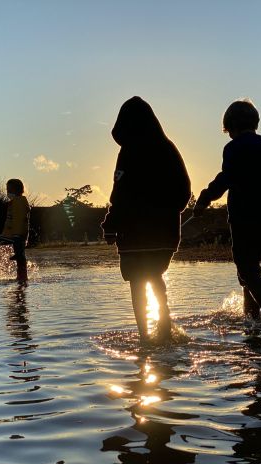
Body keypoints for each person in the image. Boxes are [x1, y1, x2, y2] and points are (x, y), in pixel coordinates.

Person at [193, 99, 261, 331]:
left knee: (245, 267)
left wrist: (204, 199)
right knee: (251, 267)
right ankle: (252, 318)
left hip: (241, 217)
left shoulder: (234, 148)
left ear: (231, 126)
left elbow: (225, 178)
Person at [102, 96, 191, 343]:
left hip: (133, 235)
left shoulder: (128, 151)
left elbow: (119, 194)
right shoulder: (168, 147)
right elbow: (185, 190)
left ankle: (144, 336)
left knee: (137, 283)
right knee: (155, 276)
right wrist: (170, 212)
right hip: (165, 234)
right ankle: (165, 326)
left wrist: (111, 225)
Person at [0, 178, 30, 283]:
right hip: (17, 233)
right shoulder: (16, 201)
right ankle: (21, 276)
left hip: (19, 233)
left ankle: (22, 277)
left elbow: (19, 219)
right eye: (7, 189)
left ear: (18, 190)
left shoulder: (19, 202)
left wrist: (16, 235)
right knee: (19, 255)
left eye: (9, 189)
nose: (7, 192)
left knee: (20, 255)